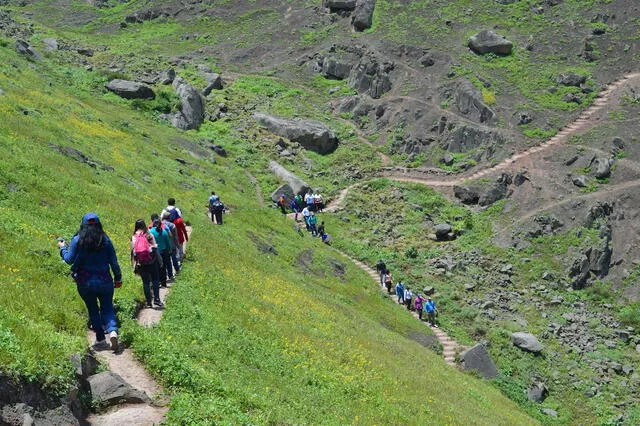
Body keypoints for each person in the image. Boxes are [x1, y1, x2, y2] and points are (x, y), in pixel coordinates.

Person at [58, 213, 122, 351]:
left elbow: (69, 259)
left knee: (93, 308)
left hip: (85, 281)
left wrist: (62, 248)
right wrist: (118, 278)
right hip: (105, 280)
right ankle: (112, 331)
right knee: (107, 307)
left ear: (83, 225)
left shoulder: (77, 240)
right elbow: (114, 262)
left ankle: (100, 338)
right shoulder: (105, 240)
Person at [132, 219, 162, 308]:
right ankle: (157, 299)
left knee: (146, 282)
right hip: (152, 262)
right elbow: (156, 249)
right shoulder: (149, 235)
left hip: (142, 264)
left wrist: (134, 265)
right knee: (155, 280)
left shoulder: (134, 237)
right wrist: (160, 261)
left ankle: (149, 302)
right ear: (144, 225)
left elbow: (133, 253)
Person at [150, 218, 172, 287]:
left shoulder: (150, 231)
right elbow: (168, 243)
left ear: (153, 224)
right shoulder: (164, 232)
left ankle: (158, 282)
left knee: (156, 268)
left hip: (154, 252)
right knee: (163, 267)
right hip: (164, 252)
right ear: (161, 224)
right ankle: (164, 282)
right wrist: (170, 250)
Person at [161, 211, 180, 276]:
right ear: (169, 217)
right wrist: (178, 245)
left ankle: (169, 274)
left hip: (164, 245)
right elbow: (175, 237)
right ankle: (177, 270)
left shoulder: (160, 225)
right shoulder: (172, 225)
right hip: (172, 244)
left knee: (167, 260)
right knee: (174, 258)